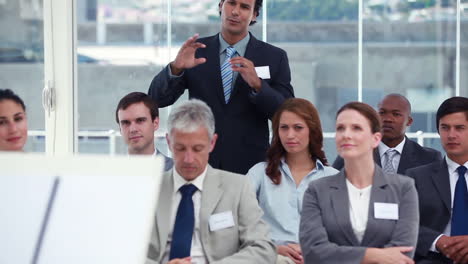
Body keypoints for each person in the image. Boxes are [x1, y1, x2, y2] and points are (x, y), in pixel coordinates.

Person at [148, 0, 294, 174]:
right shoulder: (197, 51)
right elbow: (156, 99)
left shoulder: (274, 57)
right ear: (220, 6)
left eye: (245, 7)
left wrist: (258, 85)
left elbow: (287, 113)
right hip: (202, 164)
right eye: (231, 3)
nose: (235, 12)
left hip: (252, 167)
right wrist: (176, 68)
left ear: (254, 15)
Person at [146, 99, 276, 264]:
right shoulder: (148, 188)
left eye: (197, 149)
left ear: (212, 143)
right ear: (169, 142)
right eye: (180, 148)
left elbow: (263, 249)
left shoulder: (237, 187)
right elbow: (122, 250)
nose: (188, 159)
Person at [300, 102, 419, 264]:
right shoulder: (317, 190)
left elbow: (403, 254)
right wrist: (374, 256)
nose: (346, 135)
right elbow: (313, 252)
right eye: (340, 128)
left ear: (376, 139)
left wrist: (341, 256)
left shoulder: (403, 188)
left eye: (356, 128)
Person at [247, 98, 338, 264]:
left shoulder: (333, 178)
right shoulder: (258, 174)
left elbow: (342, 233)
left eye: (298, 128)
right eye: (284, 128)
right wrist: (273, 249)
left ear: (312, 130)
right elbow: (240, 225)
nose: (290, 135)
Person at [406, 96, 468, 264]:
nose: (451, 135)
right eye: (445, 128)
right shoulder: (416, 178)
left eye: (459, 128)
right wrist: (438, 241)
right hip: (433, 258)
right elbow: (403, 225)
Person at [333, 94, 441, 174]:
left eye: (396, 114)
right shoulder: (353, 154)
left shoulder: (429, 158)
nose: (388, 119)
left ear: (409, 121)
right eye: (382, 113)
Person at [116, 92, 173, 171]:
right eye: (125, 123)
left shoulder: (178, 171)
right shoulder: (107, 174)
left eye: (140, 120)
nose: (133, 129)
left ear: (155, 123)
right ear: (120, 129)